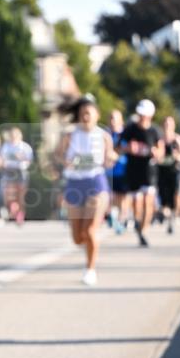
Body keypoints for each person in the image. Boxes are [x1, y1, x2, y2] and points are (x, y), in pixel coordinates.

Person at [57, 95, 115, 286]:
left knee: (90, 231)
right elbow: (58, 154)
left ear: (97, 115)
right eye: (82, 114)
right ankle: (89, 245)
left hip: (95, 183)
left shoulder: (104, 136)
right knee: (77, 238)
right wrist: (67, 161)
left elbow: (108, 158)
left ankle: (90, 270)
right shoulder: (70, 135)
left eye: (89, 113)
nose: (86, 117)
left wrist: (111, 158)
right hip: (74, 183)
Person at [118, 99, 164, 247]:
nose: (142, 117)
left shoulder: (155, 131)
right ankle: (138, 226)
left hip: (149, 171)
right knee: (137, 202)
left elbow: (161, 152)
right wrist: (128, 148)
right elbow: (118, 147)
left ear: (150, 115)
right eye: (140, 114)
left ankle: (143, 231)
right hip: (133, 171)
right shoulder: (130, 129)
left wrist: (156, 152)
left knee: (148, 202)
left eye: (145, 114)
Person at [0, 127, 33, 225]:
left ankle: (20, 216)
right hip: (9, 172)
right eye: (12, 135)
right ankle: (12, 209)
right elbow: (1, 159)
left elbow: (28, 161)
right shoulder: (6, 146)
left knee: (20, 196)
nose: (14, 137)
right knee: (9, 195)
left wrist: (21, 158)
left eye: (16, 135)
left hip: (21, 172)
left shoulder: (25, 147)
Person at [157, 116, 180, 234]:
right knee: (164, 197)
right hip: (162, 172)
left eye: (170, 124)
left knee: (177, 194)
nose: (167, 126)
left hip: (175, 171)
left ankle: (174, 216)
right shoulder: (159, 139)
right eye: (165, 123)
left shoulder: (178, 139)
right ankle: (168, 217)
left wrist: (177, 155)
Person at [106, 109, 130, 234]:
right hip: (108, 171)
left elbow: (126, 149)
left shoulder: (125, 134)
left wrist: (115, 154)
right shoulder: (105, 135)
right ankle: (111, 215)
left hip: (122, 171)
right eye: (111, 118)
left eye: (115, 118)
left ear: (121, 121)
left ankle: (122, 220)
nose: (112, 121)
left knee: (122, 197)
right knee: (107, 196)